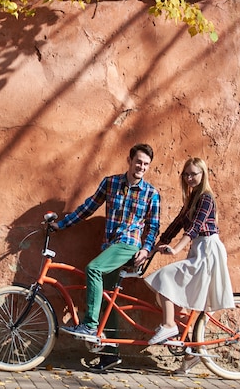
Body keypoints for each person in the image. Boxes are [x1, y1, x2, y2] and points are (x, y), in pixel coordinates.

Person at [50, 143, 160, 372]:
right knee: (107, 301)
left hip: (129, 246)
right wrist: (60, 225)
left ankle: (89, 326)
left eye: (146, 164)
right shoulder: (110, 183)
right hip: (110, 246)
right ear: (129, 160)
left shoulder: (151, 193)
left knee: (93, 269)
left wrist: (146, 249)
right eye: (138, 162)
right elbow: (88, 208)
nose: (142, 167)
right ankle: (111, 355)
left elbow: (153, 226)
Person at [144, 157, 235, 374]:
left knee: (164, 278)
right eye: (186, 174)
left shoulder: (206, 198)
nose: (189, 177)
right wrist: (156, 245)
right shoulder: (191, 199)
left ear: (203, 175)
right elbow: (176, 225)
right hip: (199, 250)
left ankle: (169, 326)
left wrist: (175, 249)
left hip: (208, 251)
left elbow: (194, 228)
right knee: (169, 296)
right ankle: (189, 352)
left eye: (194, 174)